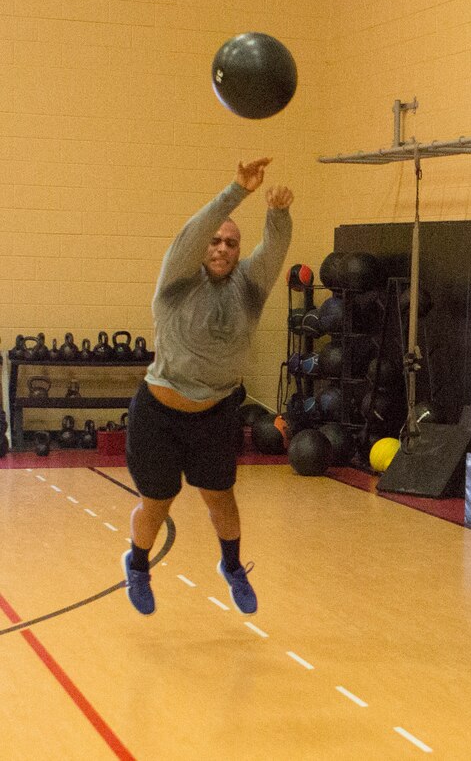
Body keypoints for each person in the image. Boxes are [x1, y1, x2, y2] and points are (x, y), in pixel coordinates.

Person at [122, 157, 293, 616]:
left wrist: (277, 213)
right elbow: (192, 232)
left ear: (238, 251)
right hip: (158, 415)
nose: (221, 248)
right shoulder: (177, 279)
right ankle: (137, 565)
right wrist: (237, 191)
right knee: (157, 504)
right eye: (215, 241)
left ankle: (232, 567)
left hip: (215, 414)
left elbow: (274, 251)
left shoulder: (249, 287)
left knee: (222, 498)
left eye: (231, 243)